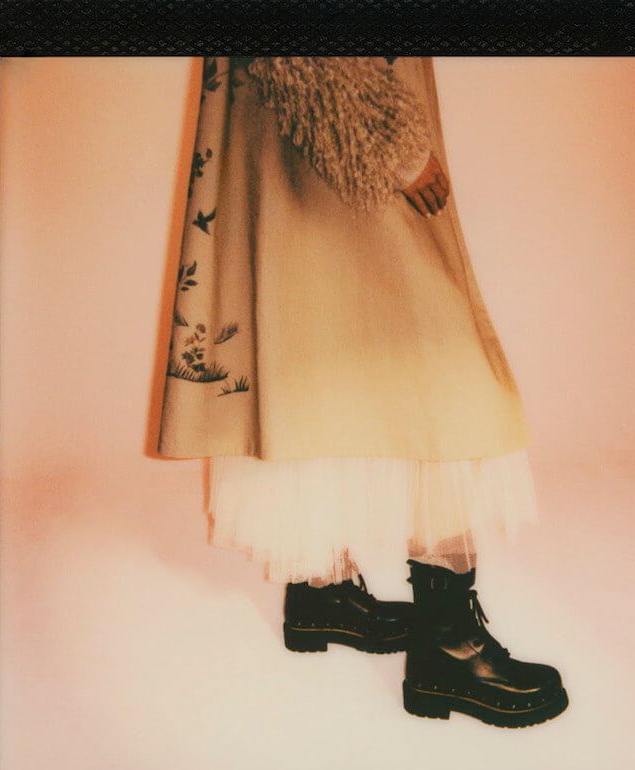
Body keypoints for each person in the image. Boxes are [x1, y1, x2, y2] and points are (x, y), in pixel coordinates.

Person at [157, 56, 568, 728]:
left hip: (289, 143)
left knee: (305, 352)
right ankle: (448, 646)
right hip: (347, 138)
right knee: (440, 379)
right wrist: (392, 144)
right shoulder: (366, 134)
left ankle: (322, 591)